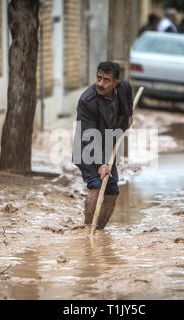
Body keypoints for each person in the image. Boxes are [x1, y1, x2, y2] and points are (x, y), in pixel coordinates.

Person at [72, 62, 134, 230]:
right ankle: (87, 230)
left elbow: (128, 95)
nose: (100, 83)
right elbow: (89, 135)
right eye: (99, 78)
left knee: (112, 191)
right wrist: (100, 164)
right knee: (96, 186)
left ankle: (99, 231)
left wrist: (129, 115)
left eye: (106, 80)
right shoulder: (87, 101)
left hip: (108, 145)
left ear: (116, 83)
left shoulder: (123, 87)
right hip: (87, 147)